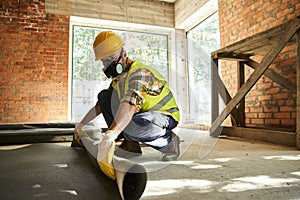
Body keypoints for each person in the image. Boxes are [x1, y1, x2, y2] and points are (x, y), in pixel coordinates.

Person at [72, 31, 180, 161]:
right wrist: (81, 125)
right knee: (105, 96)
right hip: (141, 114)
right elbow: (100, 106)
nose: (107, 64)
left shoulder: (139, 73)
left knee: (132, 124)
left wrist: (110, 134)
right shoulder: (118, 79)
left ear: (124, 55)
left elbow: (130, 105)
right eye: (104, 61)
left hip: (163, 115)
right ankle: (131, 145)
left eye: (111, 58)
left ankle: (169, 142)